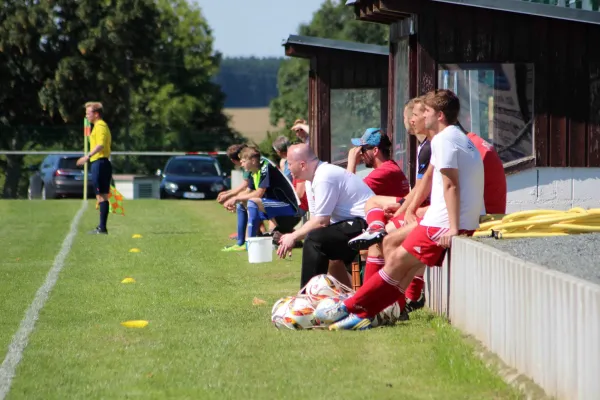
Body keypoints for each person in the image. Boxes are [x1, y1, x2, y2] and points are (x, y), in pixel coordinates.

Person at [315, 89, 485, 330]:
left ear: (439, 115)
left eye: (425, 111)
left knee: (395, 261)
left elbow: (451, 184)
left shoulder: (444, 139)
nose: (420, 116)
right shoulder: (454, 136)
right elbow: (430, 179)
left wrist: (454, 228)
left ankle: (349, 308)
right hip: (439, 220)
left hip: (443, 223)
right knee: (393, 252)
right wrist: (409, 209)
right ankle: (371, 313)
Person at [276, 144, 375, 288]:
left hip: (367, 225)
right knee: (318, 239)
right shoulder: (312, 180)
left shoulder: (324, 176)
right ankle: (344, 298)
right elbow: (315, 220)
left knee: (316, 240)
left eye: (290, 164)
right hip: (352, 224)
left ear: (302, 165)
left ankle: (305, 297)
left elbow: (322, 221)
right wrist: (292, 237)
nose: (288, 168)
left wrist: (293, 236)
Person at [222, 147, 300, 251]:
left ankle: (249, 243)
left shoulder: (265, 167)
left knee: (252, 202)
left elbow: (258, 194)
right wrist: (234, 199)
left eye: (244, 161)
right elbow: (249, 191)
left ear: (253, 160)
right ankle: (241, 243)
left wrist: (236, 198)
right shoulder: (254, 170)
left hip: (290, 210)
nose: (241, 163)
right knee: (242, 204)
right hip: (276, 208)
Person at [77, 102, 112, 235]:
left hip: (100, 162)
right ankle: (101, 227)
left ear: (96, 114)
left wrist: (87, 156)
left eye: (88, 113)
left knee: (101, 195)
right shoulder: (96, 126)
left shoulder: (101, 126)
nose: (86, 116)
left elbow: (101, 145)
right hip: (99, 163)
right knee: (100, 195)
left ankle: (102, 228)